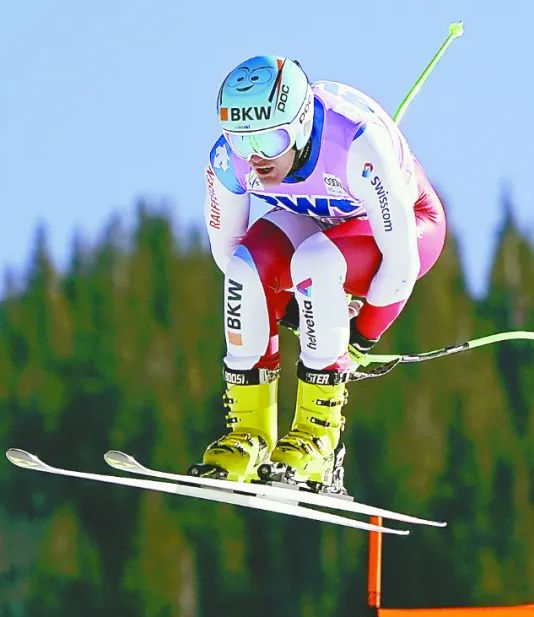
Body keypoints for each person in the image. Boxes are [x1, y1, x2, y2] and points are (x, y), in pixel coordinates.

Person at [191, 54, 447, 493]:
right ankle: (249, 434)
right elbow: (227, 249)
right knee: (243, 272)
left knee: (317, 262)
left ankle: (318, 441)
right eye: (240, 141)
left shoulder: (357, 145)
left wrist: (362, 334)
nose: (255, 159)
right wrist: (285, 305)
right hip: (317, 218)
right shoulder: (226, 161)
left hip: (404, 230)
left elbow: (401, 264)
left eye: (270, 141)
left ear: (300, 126)